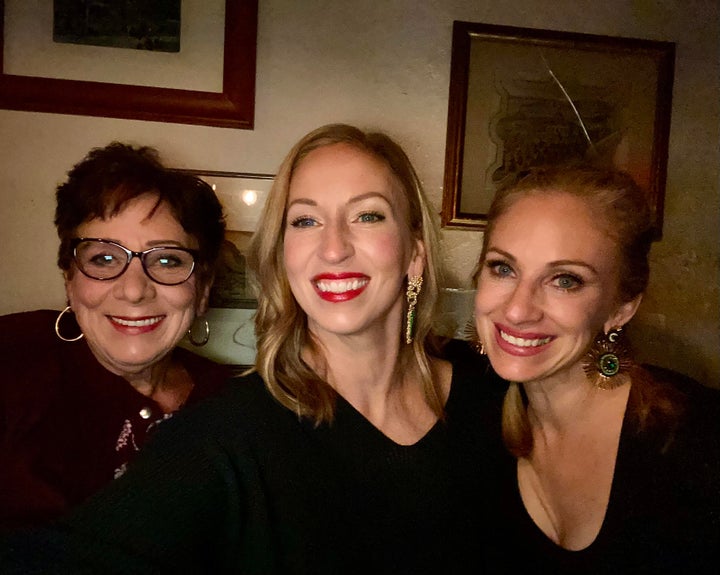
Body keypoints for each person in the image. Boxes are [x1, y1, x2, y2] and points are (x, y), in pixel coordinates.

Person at [0, 124, 497, 573]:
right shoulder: (229, 433)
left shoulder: (496, 392)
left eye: (368, 215)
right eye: (304, 221)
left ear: (415, 252)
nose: (333, 247)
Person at [469, 165, 720, 573]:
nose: (517, 309)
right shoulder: (472, 415)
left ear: (622, 308)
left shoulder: (697, 440)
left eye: (565, 280)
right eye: (503, 268)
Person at [0, 143, 231, 531]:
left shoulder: (237, 406)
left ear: (203, 289)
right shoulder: (12, 363)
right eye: (104, 258)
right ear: (70, 280)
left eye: (167, 260)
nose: (134, 290)